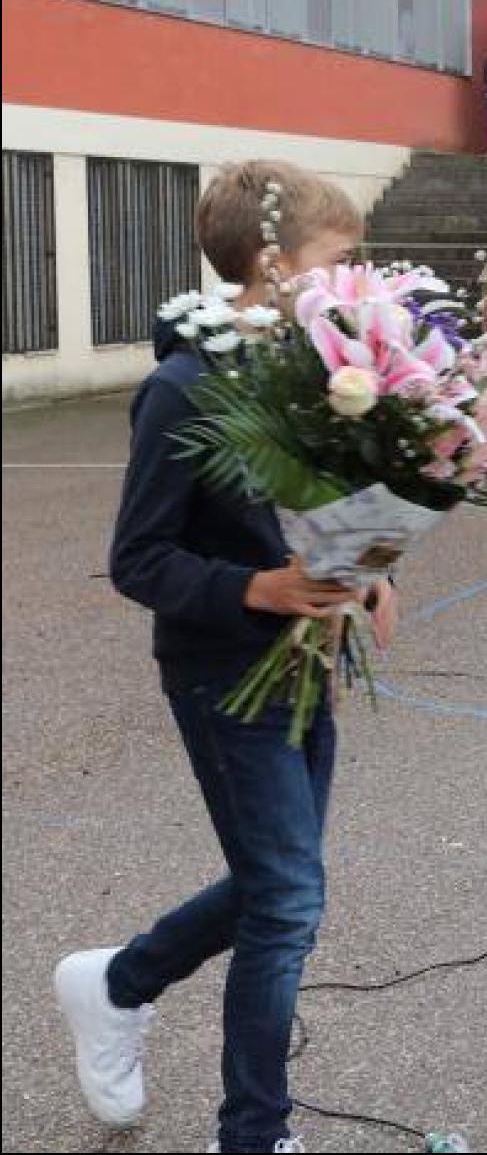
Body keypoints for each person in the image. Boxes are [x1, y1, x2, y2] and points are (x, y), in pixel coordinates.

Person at [56, 160, 387, 1154]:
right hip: (220, 667)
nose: (353, 276)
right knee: (286, 898)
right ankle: (254, 1133)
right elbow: (138, 556)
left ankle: (117, 981)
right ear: (276, 262)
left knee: (274, 883)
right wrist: (258, 588)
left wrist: (366, 565)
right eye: (340, 259)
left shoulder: (312, 375)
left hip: (302, 660)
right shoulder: (181, 387)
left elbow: (323, 506)